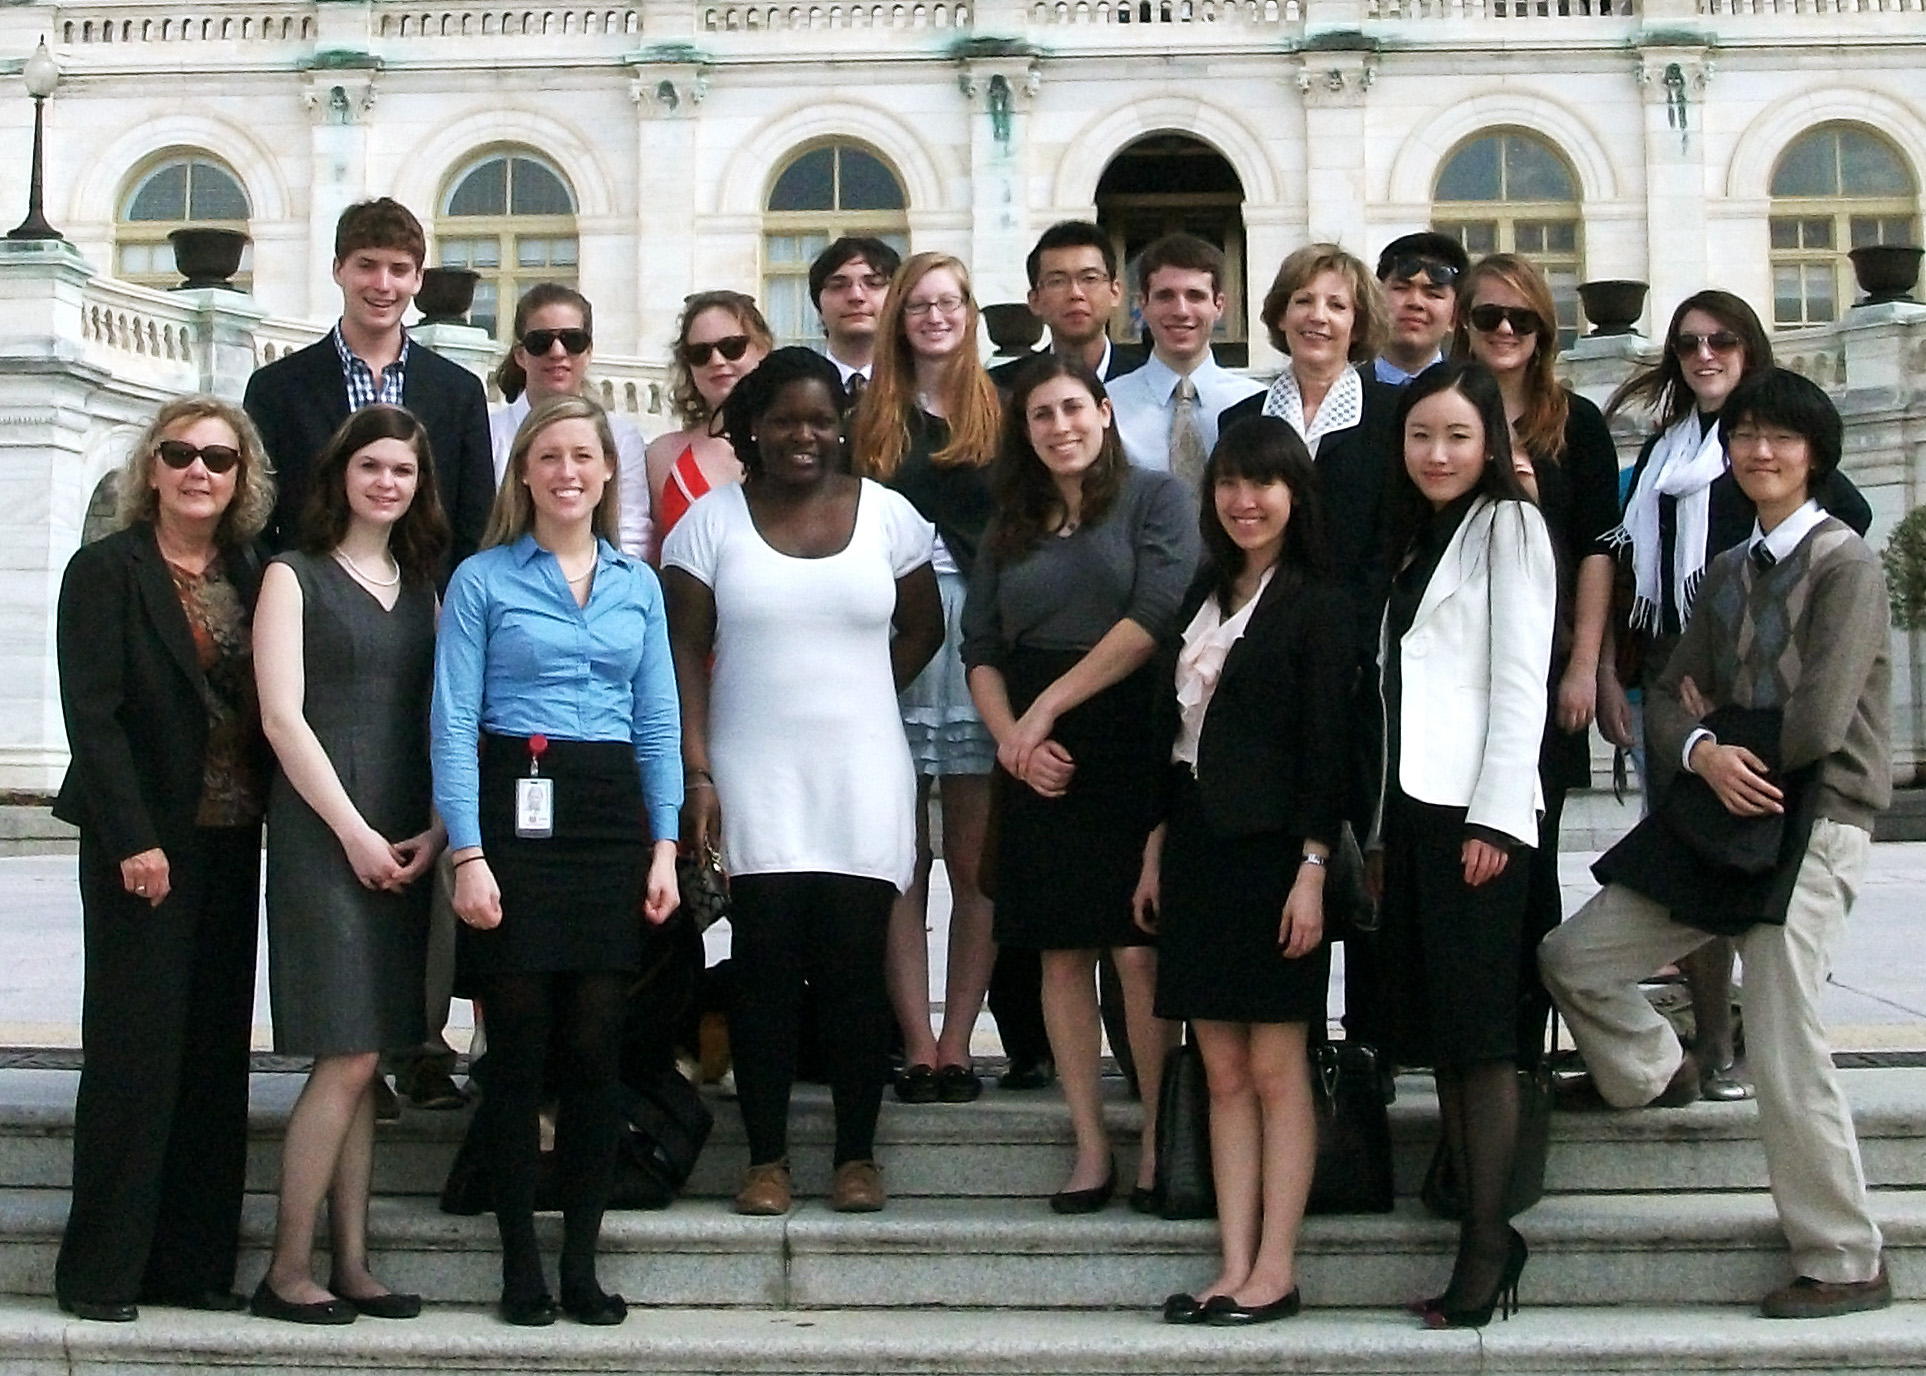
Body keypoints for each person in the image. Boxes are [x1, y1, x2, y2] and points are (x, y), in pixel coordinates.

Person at [1541, 368, 1893, 1321]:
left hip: (1814, 823)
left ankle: (1845, 1258)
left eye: (1780, 438)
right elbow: (1666, 691)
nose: (1760, 451)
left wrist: (1717, 730)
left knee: (1783, 1043)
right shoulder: (1731, 569)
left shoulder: (1848, 564)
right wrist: (1698, 747)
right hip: (1721, 812)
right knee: (1572, 956)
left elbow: (1819, 720)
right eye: (1744, 436)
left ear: (1815, 454)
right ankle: (1655, 1071)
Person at [663, 347, 944, 1217]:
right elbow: (682, 658)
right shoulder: (709, 525)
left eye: (822, 420)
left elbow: (925, 630)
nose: (805, 435)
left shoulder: (891, 517)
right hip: (751, 773)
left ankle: (858, 1155)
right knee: (764, 968)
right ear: (752, 424)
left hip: (863, 771)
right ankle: (767, 1159)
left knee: (857, 972)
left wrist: (854, 695)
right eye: (786, 418)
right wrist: (699, 772)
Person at [433, 395, 682, 1327]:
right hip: (513, 809)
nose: (568, 471)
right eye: (550, 456)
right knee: (520, 1047)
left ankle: (582, 1263)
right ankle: (519, 1267)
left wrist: (663, 845)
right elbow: (453, 724)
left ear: (609, 470)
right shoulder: (482, 581)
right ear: (525, 473)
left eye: (585, 454)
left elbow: (658, 723)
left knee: (594, 1049)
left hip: (608, 816)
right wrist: (468, 852)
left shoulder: (637, 585)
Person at [1599, 290, 1872, 1103]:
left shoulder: (1800, 495)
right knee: (1687, 877)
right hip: (1687, 681)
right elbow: (1624, 569)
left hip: (1761, 729)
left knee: (1777, 930)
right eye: (1688, 344)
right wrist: (1651, 697)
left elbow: (1834, 535)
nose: (1704, 354)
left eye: (1722, 340)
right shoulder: (1663, 459)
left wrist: (1737, 697)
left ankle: (1752, 1042)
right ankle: (1709, 1038)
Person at [51, 397, 277, 1323]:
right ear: (151, 468)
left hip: (231, 837)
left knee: (214, 1054)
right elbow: (92, 717)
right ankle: (102, 1272)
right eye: (180, 454)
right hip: (141, 841)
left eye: (219, 460)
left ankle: (191, 1266)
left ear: (241, 480)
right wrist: (134, 837)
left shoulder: (256, 575)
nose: (199, 472)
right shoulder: (106, 571)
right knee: (133, 1053)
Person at [963, 356, 1199, 1213]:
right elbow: (980, 650)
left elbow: (1153, 616)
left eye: (1072, 408)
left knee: (1137, 951)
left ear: (1103, 412)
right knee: (1061, 952)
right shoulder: (1008, 525)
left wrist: (1042, 715)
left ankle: (1153, 1141)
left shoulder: (1156, 499)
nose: (1059, 426)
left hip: (1130, 731)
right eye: (1040, 415)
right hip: (1035, 751)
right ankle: (1090, 1145)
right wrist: (1015, 742)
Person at [1136, 417, 1347, 1327]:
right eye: (1228, 483)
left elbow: (1328, 751)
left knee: (1274, 1063)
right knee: (1218, 1068)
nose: (1244, 500)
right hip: (1196, 847)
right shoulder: (1202, 594)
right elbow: (1173, 738)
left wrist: (1313, 866)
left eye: (1263, 483)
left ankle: (1277, 1267)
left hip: (1276, 854)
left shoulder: (1318, 603)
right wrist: (1153, 848)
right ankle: (1230, 1262)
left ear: (1294, 495)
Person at [252, 405, 448, 1324]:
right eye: (371, 466)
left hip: (408, 836)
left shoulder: (425, 584)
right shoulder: (291, 576)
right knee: (347, 1048)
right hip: (324, 840)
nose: (386, 483)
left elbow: (440, 718)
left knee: (369, 1056)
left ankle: (354, 1261)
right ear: (339, 474)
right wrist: (354, 834)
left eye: (402, 471)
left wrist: (441, 831)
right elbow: (282, 719)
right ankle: (287, 1268)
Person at [1371, 360, 1554, 1329]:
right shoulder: (1412, 534)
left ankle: (1489, 1238)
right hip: (1411, 808)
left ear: (1490, 442)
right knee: (1443, 1030)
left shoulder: (1511, 525)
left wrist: (1494, 815)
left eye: (1457, 436)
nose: (1437, 453)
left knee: (1482, 1037)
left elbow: (1521, 678)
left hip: (1476, 815)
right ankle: (1475, 1215)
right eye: (1421, 435)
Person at [1219, 242, 1398, 1053]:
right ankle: (1286, 1033)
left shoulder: (1394, 419)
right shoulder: (1244, 421)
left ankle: (1366, 1044)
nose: (1317, 317)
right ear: (1279, 313)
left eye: (1335, 303)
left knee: (1357, 850)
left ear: (1357, 319)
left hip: (1361, 657)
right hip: (1264, 657)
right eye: (1302, 301)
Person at [1454, 253, 1620, 1061]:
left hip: (1543, 670)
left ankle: (1521, 1047)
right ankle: (1460, 1039)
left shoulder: (1575, 422)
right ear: (1466, 323)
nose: (1508, 332)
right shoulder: (1444, 412)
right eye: (1490, 317)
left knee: (1529, 855)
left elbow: (1596, 550)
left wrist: (1584, 664)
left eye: (1524, 319)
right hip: (1450, 674)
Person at [851, 252, 1002, 1105]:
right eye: (921, 304)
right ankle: (917, 1040)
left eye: (951, 302)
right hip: (895, 634)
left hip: (978, 633)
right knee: (899, 852)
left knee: (977, 859)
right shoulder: (867, 417)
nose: (936, 316)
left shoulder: (1002, 410)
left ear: (970, 313)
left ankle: (960, 1038)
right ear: (899, 316)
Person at [244, 198, 494, 573]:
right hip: (311, 608)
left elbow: (474, 524)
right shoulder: (276, 389)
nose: (383, 285)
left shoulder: (459, 393)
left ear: (418, 279)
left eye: (398, 269)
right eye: (367, 265)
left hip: (425, 610)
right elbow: (255, 519)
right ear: (338, 270)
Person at [491, 283, 652, 560]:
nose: (557, 352)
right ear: (520, 354)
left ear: (588, 352)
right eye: (541, 342)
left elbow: (631, 531)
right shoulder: (487, 432)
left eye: (573, 340)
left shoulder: (622, 437)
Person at [1106, 233, 1262, 481]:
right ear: (1143, 305)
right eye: (1165, 296)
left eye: (1195, 296)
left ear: (1219, 306)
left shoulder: (1256, 403)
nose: (1181, 310)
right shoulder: (1108, 407)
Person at [644, 290, 773, 551]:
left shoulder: (797, 443)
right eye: (700, 353)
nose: (717, 361)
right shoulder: (661, 456)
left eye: (732, 347)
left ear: (762, 348)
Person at [989, 220, 1147, 388]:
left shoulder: (1148, 378)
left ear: (1115, 292)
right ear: (1035, 300)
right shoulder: (1004, 388)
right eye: (1057, 281)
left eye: (1089, 278)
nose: (1075, 293)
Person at [1372, 232, 1469, 386]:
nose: (1415, 303)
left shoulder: (1469, 396)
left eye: (1433, 294)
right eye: (1401, 288)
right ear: (1376, 300)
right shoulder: (1343, 393)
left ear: (1455, 316)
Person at [810, 236, 902, 391]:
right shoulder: (796, 391)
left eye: (873, 284)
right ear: (818, 307)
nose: (856, 296)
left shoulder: (921, 389)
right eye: (838, 286)